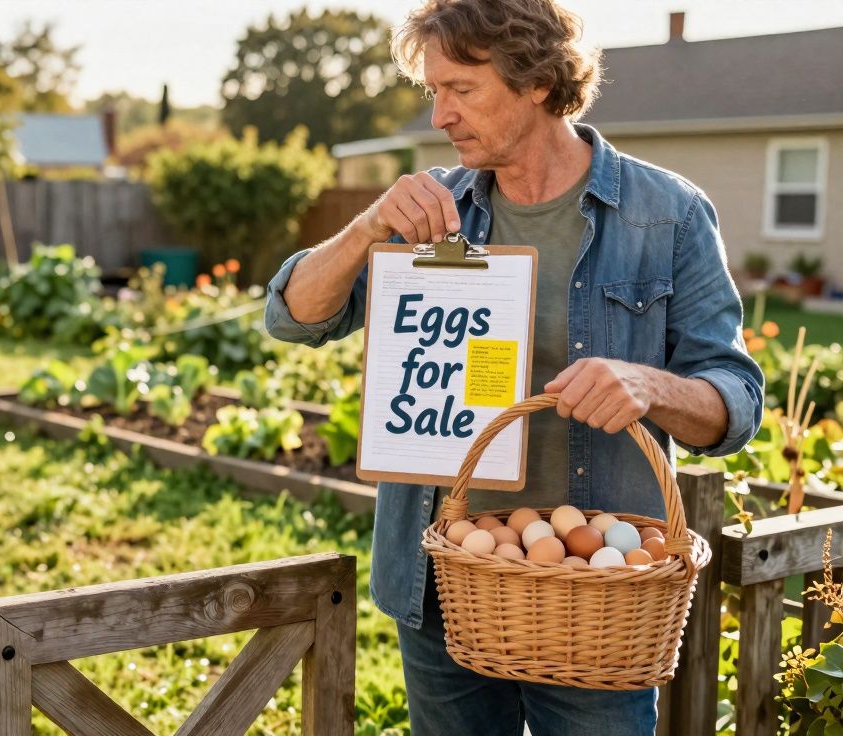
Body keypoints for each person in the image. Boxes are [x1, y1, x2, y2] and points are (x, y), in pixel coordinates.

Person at [263, 0, 764, 733]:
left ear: (536, 80)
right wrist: (370, 227)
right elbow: (292, 316)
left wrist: (648, 385)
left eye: (460, 90)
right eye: (433, 91)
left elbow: (737, 402)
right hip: (446, 587)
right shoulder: (435, 213)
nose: (440, 116)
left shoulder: (669, 216)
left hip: (597, 601)